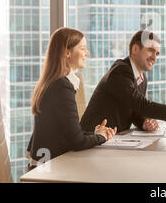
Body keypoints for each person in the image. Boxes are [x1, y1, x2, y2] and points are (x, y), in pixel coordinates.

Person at [80, 29, 166, 133]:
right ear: (135, 49)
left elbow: (135, 110)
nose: (154, 57)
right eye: (150, 50)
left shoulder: (141, 79)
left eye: (157, 53)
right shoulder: (120, 71)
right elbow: (144, 106)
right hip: (92, 139)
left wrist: (144, 122)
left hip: (114, 139)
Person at [26, 27, 116, 171]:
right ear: (67, 52)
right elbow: (77, 142)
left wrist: (95, 134)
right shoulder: (61, 87)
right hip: (48, 172)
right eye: (82, 48)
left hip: (44, 167)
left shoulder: (54, 82)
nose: (87, 53)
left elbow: (66, 133)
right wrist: (101, 137)